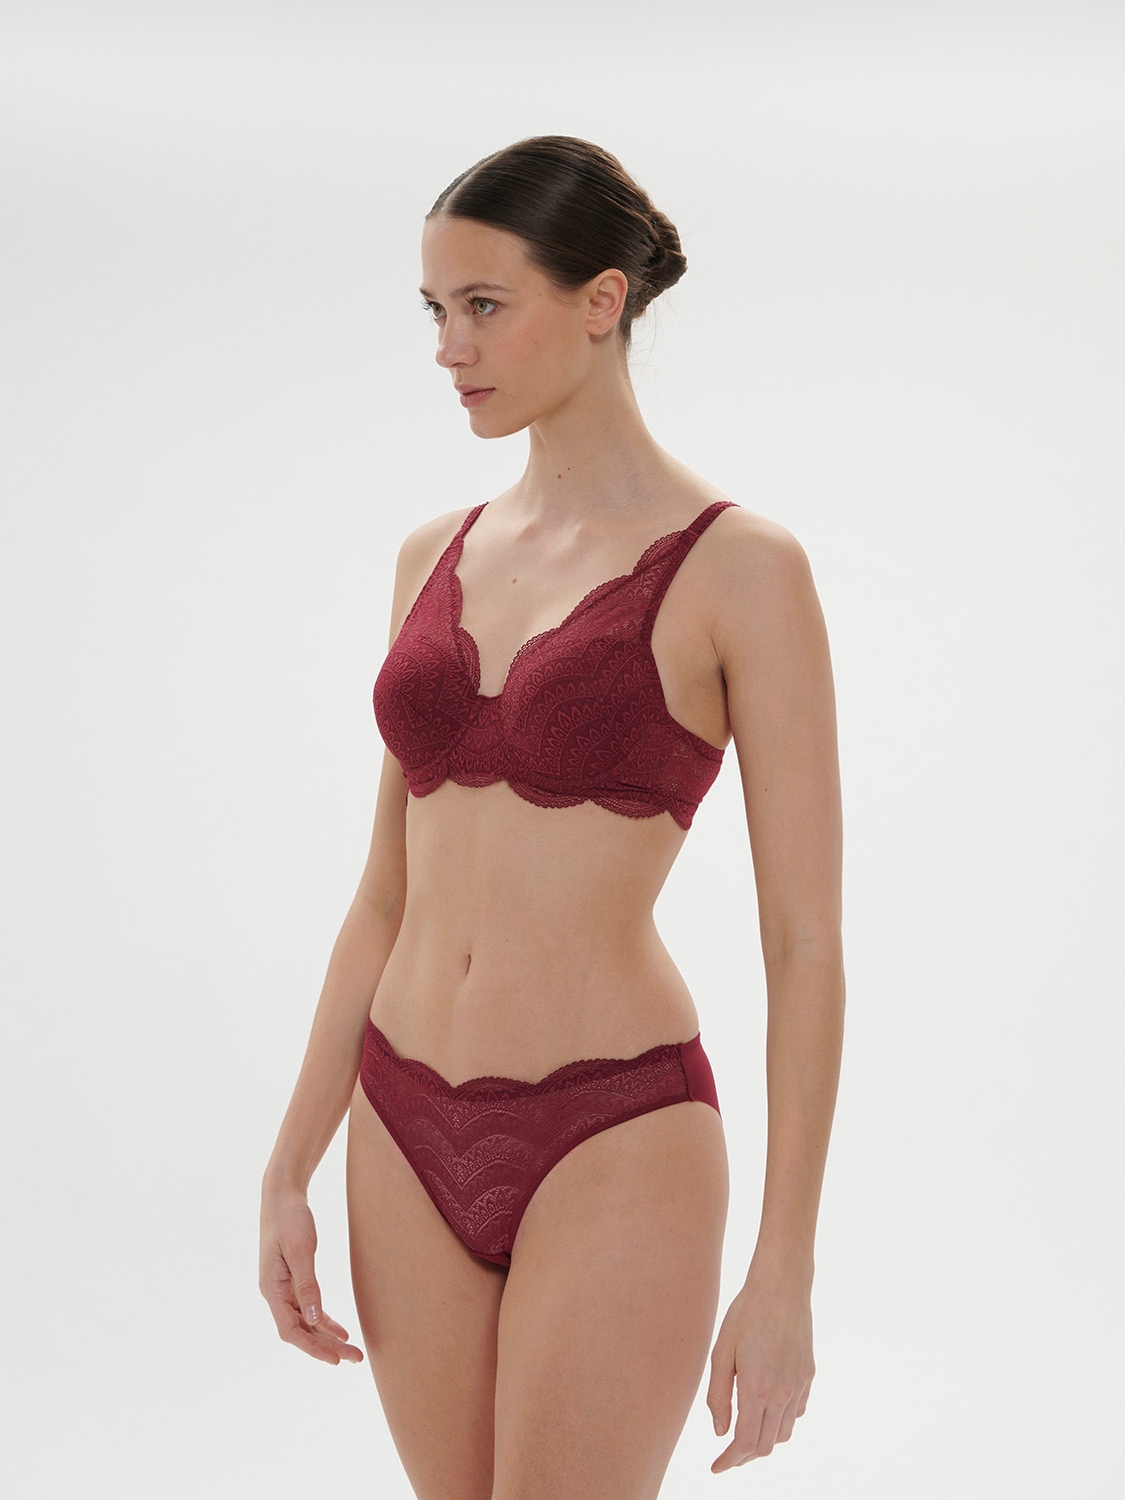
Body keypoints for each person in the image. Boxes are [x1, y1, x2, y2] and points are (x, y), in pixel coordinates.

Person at [259, 135, 844, 1500]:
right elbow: (384, 896)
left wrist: (784, 1270)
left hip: (614, 1131)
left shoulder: (742, 569)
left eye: (484, 305)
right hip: (399, 1122)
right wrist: (290, 1163)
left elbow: (805, 944)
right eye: (434, 310)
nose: (449, 349)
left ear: (599, 300)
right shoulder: (433, 554)